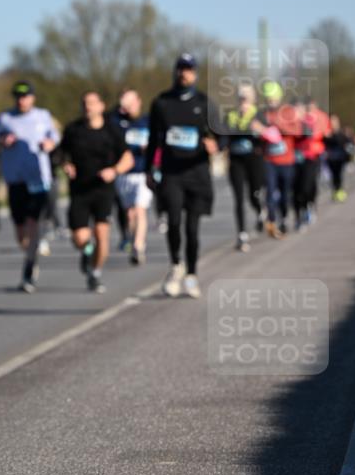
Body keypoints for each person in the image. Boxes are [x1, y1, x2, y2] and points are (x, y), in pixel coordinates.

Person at [145, 54, 218, 298]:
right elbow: (153, 139)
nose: (184, 74)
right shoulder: (161, 103)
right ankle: (176, 265)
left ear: (195, 73)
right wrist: (148, 171)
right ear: (175, 72)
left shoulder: (204, 103)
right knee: (174, 221)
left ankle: (192, 275)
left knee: (192, 227)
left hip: (197, 173)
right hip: (171, 173)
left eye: (188, 70)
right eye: (180, 69)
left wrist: (216, 145)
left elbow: (223, 135)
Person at [60, 91, 134, 293]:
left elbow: (128, 159)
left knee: (102, 236)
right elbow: (61, 154)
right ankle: (87, 251)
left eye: (92, 103)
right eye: (84, 103)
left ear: (101, 106)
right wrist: (67, 165)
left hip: (103, 190)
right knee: (80, 239)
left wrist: (115, 170)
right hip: (80, 191)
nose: (88, 107)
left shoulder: (112, 130)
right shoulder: (73, 129)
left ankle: (95, 273)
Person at [0, 81, 59, 292]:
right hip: (15, 181)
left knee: (33, 223)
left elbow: (54, 136)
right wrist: (3, 140)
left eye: (26, 96)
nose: (22, 100)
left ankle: (30, 267)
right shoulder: (5, 118)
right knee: (20, 231)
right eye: (18, 97)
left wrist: (50, 144)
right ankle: (32, 253)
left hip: (38, 178)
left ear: (32, 97)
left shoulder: (43, 116)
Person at [251, 81, 303, 239]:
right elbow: (256, 134)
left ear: (279, 97)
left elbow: (298, 132)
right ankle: (272, 221)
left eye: (273, 98)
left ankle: (284, 219)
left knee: (285, 193)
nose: (270, 101)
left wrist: (281, 127)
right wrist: (259, 133)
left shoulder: (288, 112)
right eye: (268, 99)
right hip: (269, 160)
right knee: (270, 191)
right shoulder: (262, 114)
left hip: (286, 160)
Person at [220, 83, 265, 252]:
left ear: (252, 99)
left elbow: (267, 135)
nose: (243, 101)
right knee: (238, 197)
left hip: (254, 160)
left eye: (246, 98)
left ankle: (261, 211)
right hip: (236, 160)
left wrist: (259, 130)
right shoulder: (230, 115)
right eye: (241, 98)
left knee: (254, 194)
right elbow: (224, 136)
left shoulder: (258, 115)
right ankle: (242, 233)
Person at [110, 89, 153, 264]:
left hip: (142, 173)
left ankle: (138, 245)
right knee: (129, 214)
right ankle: (133, 238)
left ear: (139, 102)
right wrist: (120, 108)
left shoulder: (147, 121)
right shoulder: (117, 123)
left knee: (140, 209)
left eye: (132, 103)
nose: (130, 107)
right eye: (126, 105)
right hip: (123, 174)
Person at [293, 98, 332, 229]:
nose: (309, 109)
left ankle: (311, 204)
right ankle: (300, 213)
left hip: (314, 155)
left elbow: (326, 133)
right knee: (297, 187)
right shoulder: (298, 118)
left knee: (309, 184)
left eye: (311, 106)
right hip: (297, 156)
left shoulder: (321, 117)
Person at [324, 114, 352, 202]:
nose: (333, 123)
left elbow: (348, 144)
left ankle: (339, 191)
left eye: (334, 121)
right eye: (331, 121)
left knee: (339, 175)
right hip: (331, 159)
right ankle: (335, 191)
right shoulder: (327, 134)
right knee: (333, 176)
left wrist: (349, 156)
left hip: (340, 158)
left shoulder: (342, 133)